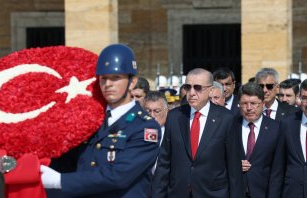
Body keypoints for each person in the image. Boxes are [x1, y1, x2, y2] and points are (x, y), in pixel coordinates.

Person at [40, 44, 161, 197]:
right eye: (103, 78)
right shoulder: (91, 121)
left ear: (132, 83)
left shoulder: (145, 127)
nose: (108, 84)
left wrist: (60, 180)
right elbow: (70, 161)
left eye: (116, 78)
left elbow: (118, 177)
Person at [152, 68, 243, 198]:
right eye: (188, 87)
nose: (192, 92)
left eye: (198, 88)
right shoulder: (174, 116)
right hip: (178, 192)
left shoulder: (226, 119)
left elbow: (234, 168)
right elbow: (164, 163)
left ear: (211, 90)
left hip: (213, 193)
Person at [232, 83, 283, 198]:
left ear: (263, 104)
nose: (249, 108)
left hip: (263, 192)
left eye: (254, 103)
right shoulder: (230, 125)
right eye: (244, 103)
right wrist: (233, 165)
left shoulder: (277, 128)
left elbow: (278, 170)